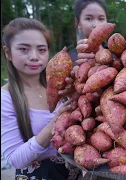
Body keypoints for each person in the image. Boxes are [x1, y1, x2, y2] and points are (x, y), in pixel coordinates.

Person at [1, 17, 80, 179]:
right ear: (8, 52)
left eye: (42, 50)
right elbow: (15, 160)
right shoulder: (5, 98)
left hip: (74, 173)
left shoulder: (61, 86)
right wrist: (55, 123)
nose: (34, 56)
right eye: (24, 49)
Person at [69, 0, 108, 65]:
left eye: (101, 19)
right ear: (78, 23)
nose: (96, 25)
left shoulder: (117, 55)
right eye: (89, 18)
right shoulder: (70, 59)